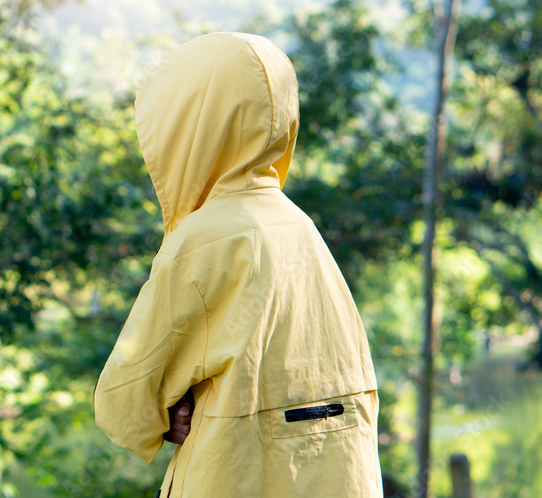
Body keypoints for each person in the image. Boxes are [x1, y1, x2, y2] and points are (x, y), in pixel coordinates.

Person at [93, 32, 382, 497]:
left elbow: (125, 403)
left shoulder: (203, 239)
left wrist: (168, 413)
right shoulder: (301, 227)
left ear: (191, 125)